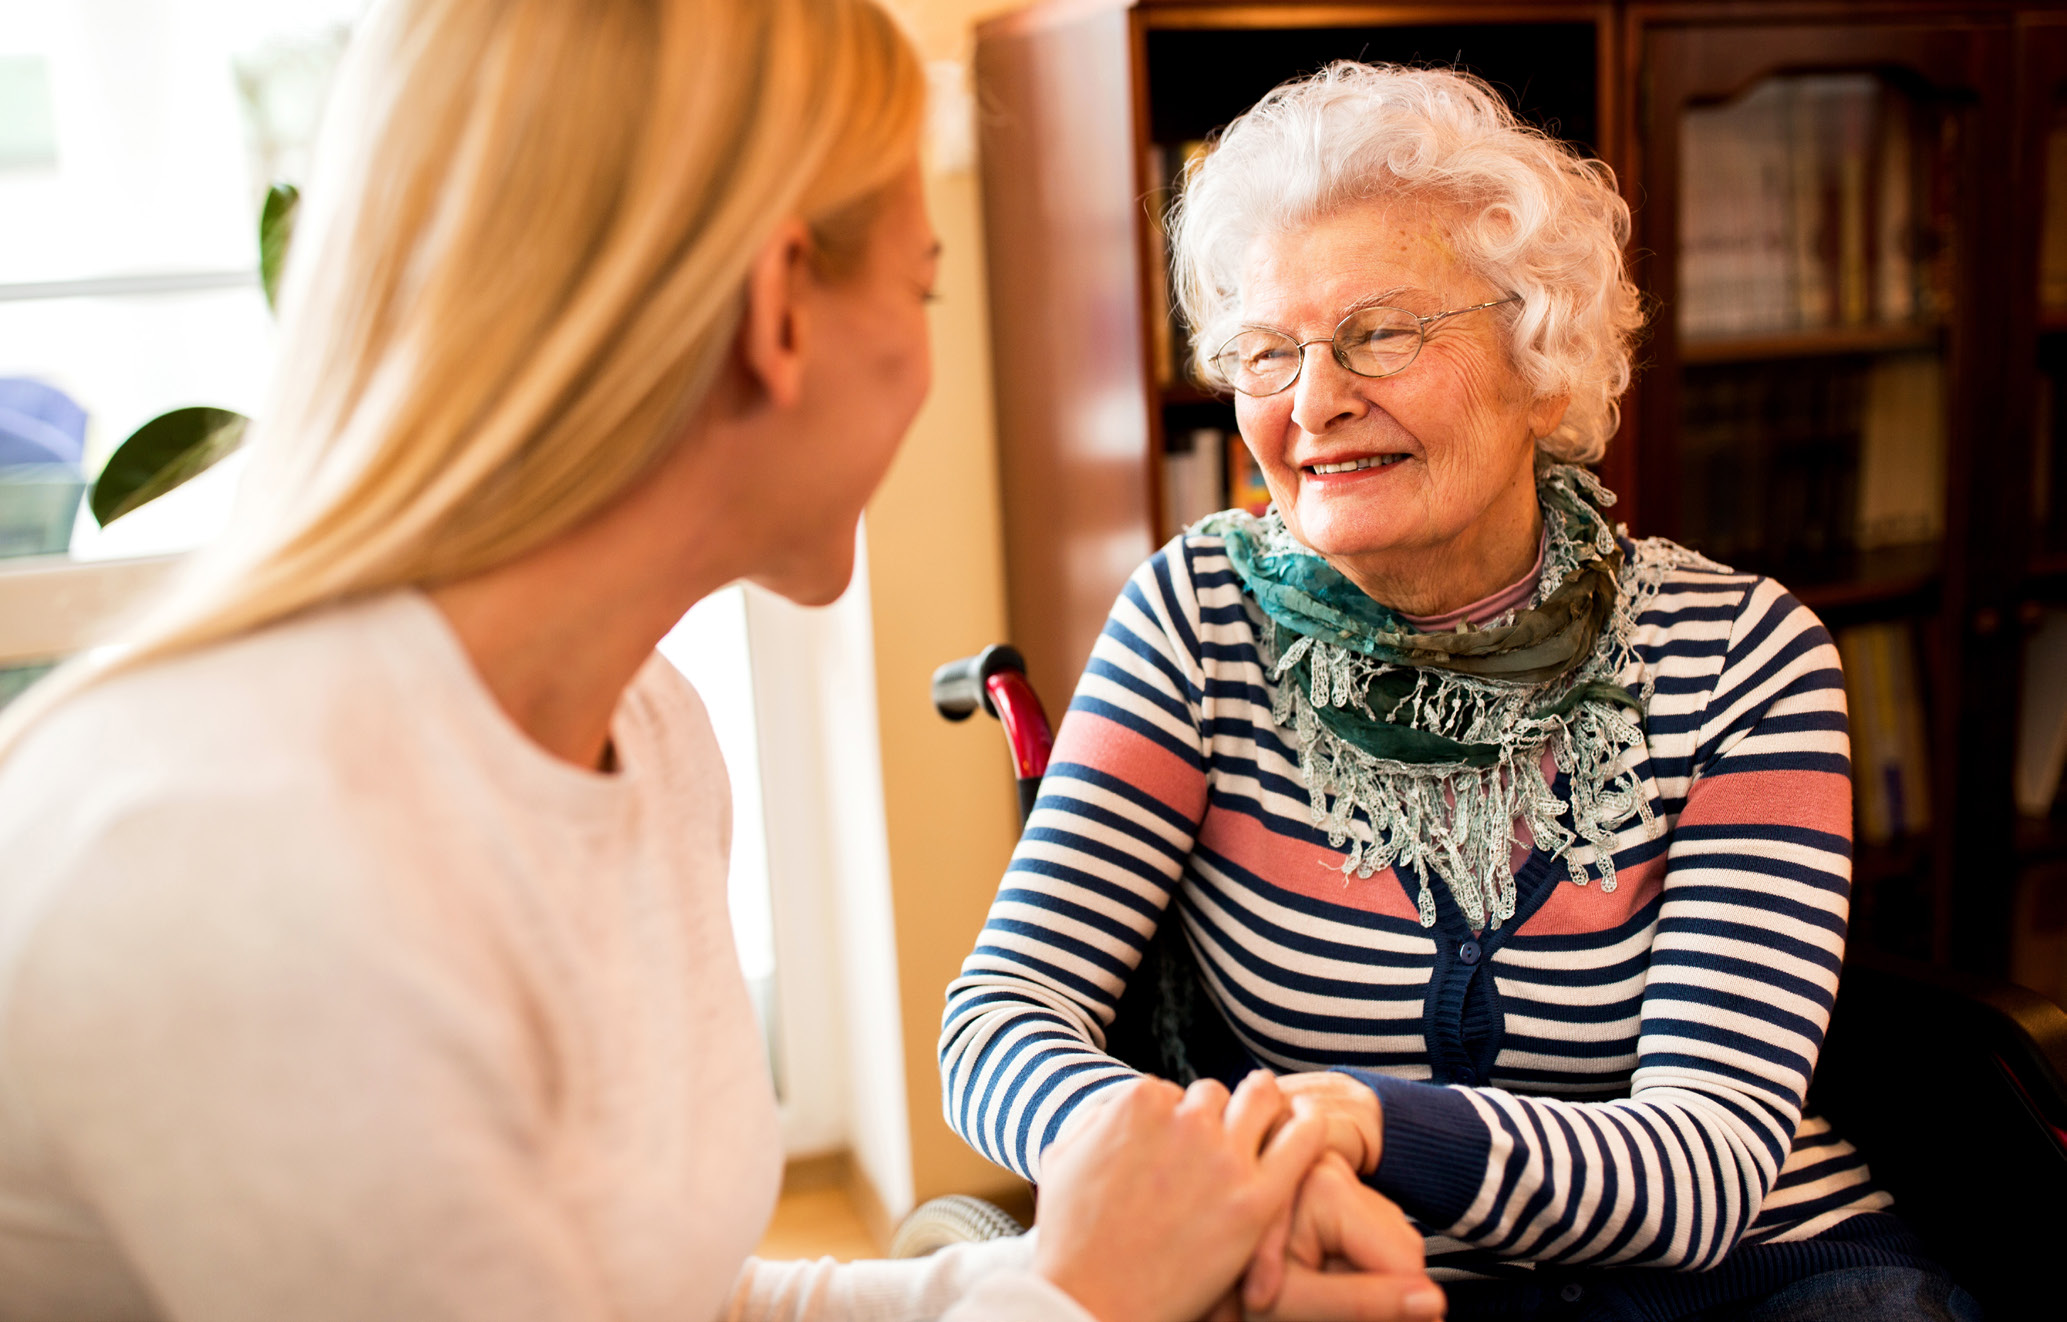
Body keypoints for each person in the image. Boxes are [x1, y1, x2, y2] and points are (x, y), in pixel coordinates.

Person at [0, 5, 1440, 1321]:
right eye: (923, 289)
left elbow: (666, 1297)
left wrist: (1089, 1269)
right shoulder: (234, 853)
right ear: (779, 312)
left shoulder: (642, 732)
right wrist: (1079, 1294)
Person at [940, 63, 1980, 1322]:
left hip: (1757, 1277)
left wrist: (1364, 1123)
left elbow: (1703, 1168)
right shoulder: (1197, 615)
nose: (1313, 402)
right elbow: (999, 1018)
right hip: (1358, 1275)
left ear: (1543, 356)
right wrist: (1204, 1162)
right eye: (1268, 352)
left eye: (1379, 332)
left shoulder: (1745, 655)